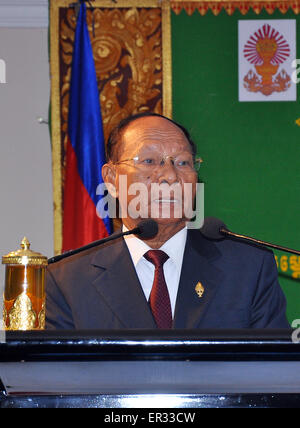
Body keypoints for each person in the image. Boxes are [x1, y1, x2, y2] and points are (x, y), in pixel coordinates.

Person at [46, 113, 290, 329]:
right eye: (149, 161)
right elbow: (58, 377)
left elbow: (272, 374)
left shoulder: (248, 268)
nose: (171, 176)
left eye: (183, 162)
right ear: (111, 179)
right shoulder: (67, 278)